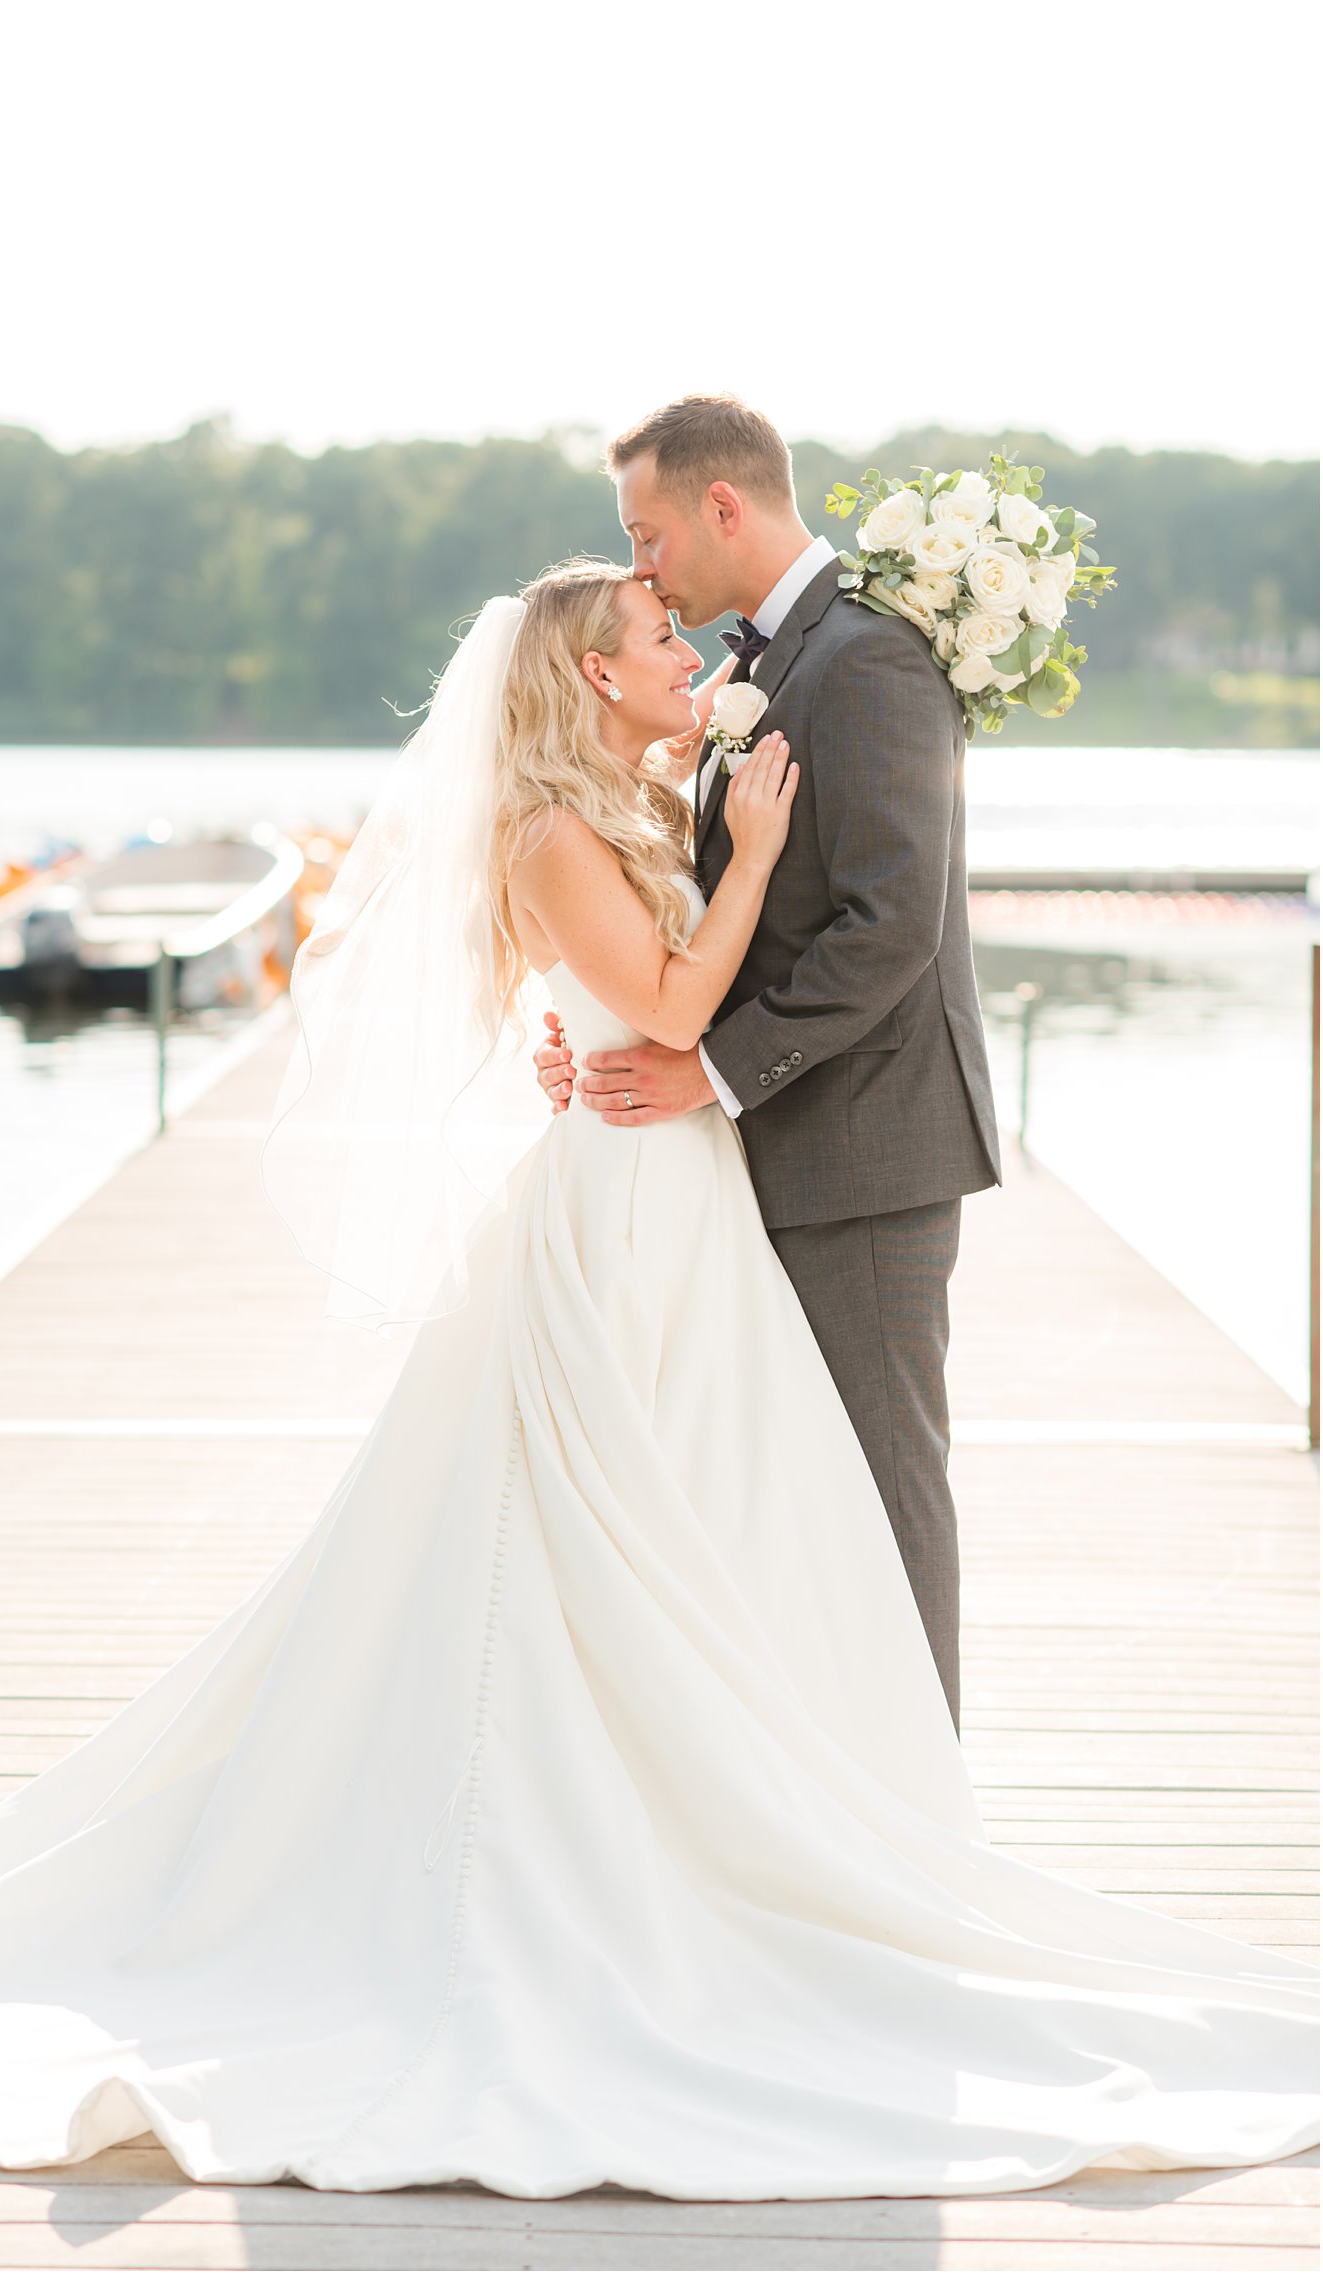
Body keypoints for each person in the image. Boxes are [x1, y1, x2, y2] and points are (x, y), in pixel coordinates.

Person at [0, 562, 1315, 2202]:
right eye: (659, 638)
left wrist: (674, 901)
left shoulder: (629, 795)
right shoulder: (550, 828)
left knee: (695, 1522)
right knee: (578, 1544)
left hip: (681, 1196)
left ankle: (741, 1831)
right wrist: (741, 867)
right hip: (619, 1202)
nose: (692, 654)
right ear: (592, 678)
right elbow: (666, 1003)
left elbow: (632, 993)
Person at [536, 394, 1000, 1735]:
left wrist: (713, 1073)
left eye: (649, 532)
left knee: (881, 1484)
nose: (642, 570)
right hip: (785, 1143)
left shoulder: (864, 660)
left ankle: (923, 1809)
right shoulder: (765, 665)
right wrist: (607, 1022)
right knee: (793, 1490)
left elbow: (890, 925)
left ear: (722, 508)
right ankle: (823, 1779)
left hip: (864, 1148)